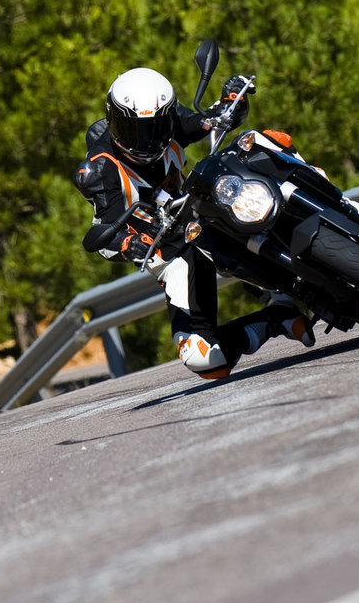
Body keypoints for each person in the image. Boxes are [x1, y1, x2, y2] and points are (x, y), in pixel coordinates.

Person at [72, 66, 319, 380]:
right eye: (135, 130)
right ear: (113, 120)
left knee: (260, 141)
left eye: (156, 127)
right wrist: (129, 242)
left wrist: (232, 100)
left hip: (204, 210)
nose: (147, 141)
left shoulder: (172, 123)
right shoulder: (97, 172)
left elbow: (211, 120)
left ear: (167, 115)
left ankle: (347, 209)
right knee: (203, 358)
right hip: (169, 248)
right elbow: (106, 231)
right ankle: (276, 318)